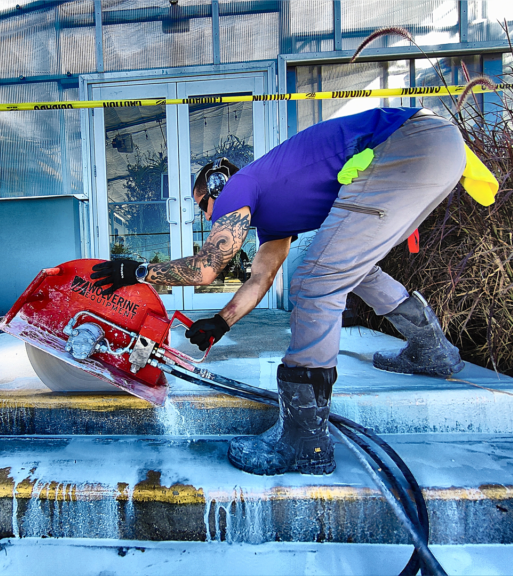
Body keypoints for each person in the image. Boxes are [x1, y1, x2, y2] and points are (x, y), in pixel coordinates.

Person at [91, 107, 466, 476]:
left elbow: (207, 268)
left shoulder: (239, 186)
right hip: (433, 148)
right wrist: (221, 323)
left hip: (407, 145)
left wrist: (138, 270)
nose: (207, 217)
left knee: (316, 282)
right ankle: (431, 349)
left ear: (217, 189)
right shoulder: (274, 215)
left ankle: (305, 441)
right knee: (355, 269)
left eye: (203, 205)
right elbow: (261, 279)